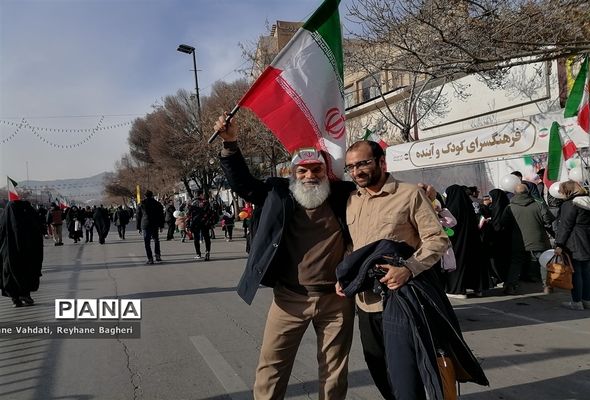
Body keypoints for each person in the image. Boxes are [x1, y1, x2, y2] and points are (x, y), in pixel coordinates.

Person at [215, 115, 356, 400]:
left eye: (315, 169)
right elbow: (243, 184)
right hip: (289, 299)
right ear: (292, 174)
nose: (309, 176)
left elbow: (380, 191)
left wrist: (422, 191)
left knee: (333, 374)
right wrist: (230, 144)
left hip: (336, 301)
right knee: (271, 369)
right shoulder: (278, 193)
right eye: (302, 171)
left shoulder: (344, 195)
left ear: (325, 171)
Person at [340, 140, 452, 399]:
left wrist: (409, 269)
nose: (357, 171)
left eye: (363, 163)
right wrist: (346, 274)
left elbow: (437, 239)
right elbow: (352, 245)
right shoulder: (352, 201)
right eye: (351, 167)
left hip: (400, 301)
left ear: (381, 162)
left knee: (406, 374)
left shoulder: (410, 194)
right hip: (366, 302)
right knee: (378, 367)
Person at [500, 184, 555, 295]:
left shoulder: (510, 207)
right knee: (543, 262)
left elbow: (503, 223)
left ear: (515, 193)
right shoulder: (538, 205)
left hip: (518, 240)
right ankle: (547, 286)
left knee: (516, 262)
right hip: (538, 238)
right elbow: (548, 219)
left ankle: (511, 286)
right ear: (528, 192)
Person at [555, 181, 590, 310]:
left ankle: (577, 302)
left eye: (562, 190)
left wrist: (559, 244)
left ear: (568, 190)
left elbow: (565, 226)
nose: (561, 193)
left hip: (575, 241)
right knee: (586, 271)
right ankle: (588, 301)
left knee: (575, 272)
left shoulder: (570, 204)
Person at [444, 184, 491, 298]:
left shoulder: (453, 208)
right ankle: (477, 288)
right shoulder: (468, 206)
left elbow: (451, 227)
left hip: (458, 243)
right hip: (473, 241)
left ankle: (458, 290)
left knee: (458, 264)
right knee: (474, 263)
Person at [0, 200, 44, 307]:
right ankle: (25, 294)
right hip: (27, 251)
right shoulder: (28, 215)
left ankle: (15, 298)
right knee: (26, 272)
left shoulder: (4, 217)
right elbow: (37, 231)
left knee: (10, 274)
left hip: (8, 253)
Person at [136, 191, 164, 264]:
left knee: (147, 242)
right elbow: (161, 215)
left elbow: (138, 217)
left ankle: (150, 259)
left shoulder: (141, 204)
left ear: (145, 196)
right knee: (156, 240)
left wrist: (138, 227)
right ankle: (158, 256)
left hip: (145, 225)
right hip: (155, 224)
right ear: (152, 196)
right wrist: (161, 226)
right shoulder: (157, 204)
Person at [188, 194, 214, 261]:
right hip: (205, 222)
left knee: (196, 238)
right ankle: (207, 251)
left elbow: (189, 214)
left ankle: (198, 254)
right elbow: (211, 212)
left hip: (195, 223)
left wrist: (189, 225)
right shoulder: (206, 203)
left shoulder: (193, 203)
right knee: (206, 238)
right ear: (201, 195)